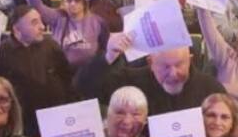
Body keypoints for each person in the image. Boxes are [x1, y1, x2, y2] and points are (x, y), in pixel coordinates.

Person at [76, 36, 225, 116]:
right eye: (165, 67)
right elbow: (83, 88)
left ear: (191, 60)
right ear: (150, 62)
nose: (173, 74)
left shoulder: (211, 89)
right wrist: (108, 56)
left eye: (179, 65)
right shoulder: (130, 82)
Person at [0, 4, 75, 137]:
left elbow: (67, 78)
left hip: (56, 119)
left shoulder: (51, 46)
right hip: (23, 124)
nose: (42, 27)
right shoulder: (2, 53)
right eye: (34, 23)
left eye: (41, 21)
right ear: (17, 29)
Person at [22, 0, 108, 69]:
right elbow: (38, 7)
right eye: (69, 1)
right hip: (61, 69)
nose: (73, 4)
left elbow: (105, 47)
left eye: (77, 1)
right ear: (63, 3)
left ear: (84, 3)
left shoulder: (97, 21)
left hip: (90, 71)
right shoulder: (57, 16)